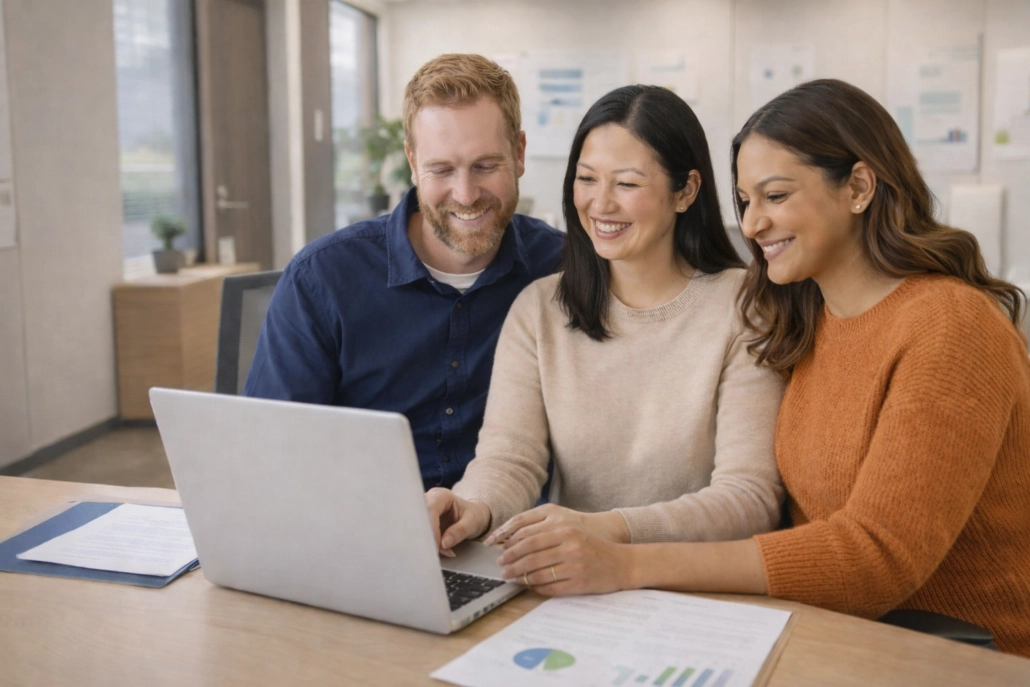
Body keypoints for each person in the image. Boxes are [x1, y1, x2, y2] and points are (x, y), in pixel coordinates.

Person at [491, 79, 1030, 657]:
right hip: (824, 633)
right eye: (746, 202)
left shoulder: (950, 326)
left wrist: (625, 562)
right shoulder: (808, 319)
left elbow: (874, 559)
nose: (750, 226)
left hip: (953, 655)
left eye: (775, 197)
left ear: (859, 186)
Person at [425, 85, 784, 558]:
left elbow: (750, 499)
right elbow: (510, 460)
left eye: (627, 184)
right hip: (573, 584)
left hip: (698, 589)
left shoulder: (744, 307)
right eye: (587, 179)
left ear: (686, 191)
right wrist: (474, 506)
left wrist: (607, 533)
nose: (600, 204)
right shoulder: (539, 309)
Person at [244, 54, 564, 490]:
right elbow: (270, 450)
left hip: (511, 538)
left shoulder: (561, 269)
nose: (466, 194)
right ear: (412, 162)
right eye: (441, 169)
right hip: (361, 535)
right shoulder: (322, 279)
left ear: (520, 153)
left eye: (486, 166)